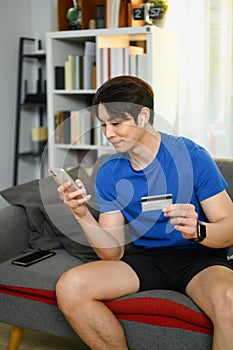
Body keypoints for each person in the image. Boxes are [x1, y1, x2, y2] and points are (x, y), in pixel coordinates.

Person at [55, 75, 233, 350]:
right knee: (70, 287)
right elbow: (112, 252)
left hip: (199, 259)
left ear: (142, 116)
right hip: (147, 259)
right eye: (103, 125)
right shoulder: (111, 172)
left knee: (230, 299)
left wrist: (199, 230)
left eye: (116, 123)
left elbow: (229, 228)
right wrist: (81, 214)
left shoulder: (191, 155)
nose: (108, 133)